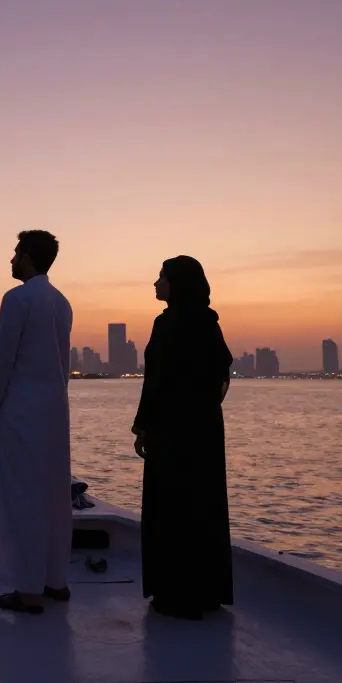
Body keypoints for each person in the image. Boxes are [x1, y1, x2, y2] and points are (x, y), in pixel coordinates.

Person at [132, 255, 234, 620]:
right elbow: (220, 376)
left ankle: (176, 593)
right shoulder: (208, 323)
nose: (156, 284)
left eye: (161, 277)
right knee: (201, 504)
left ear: (178, 283)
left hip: (171, 432)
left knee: (171, 507)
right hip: (203, 431)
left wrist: (144, 426)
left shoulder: (167, 324)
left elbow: (156, 382)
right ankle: (205, 591)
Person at [0, 230, 73, 614]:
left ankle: (28, 589)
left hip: (21, 410)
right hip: (54, 410)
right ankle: (55, 580)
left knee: (21, 496)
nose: (11, 259)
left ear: (29, 257)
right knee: (52, 494)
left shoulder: (17, 299)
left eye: (16, 252)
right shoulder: (62, 302)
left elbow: (3, 360)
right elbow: (63, 365)